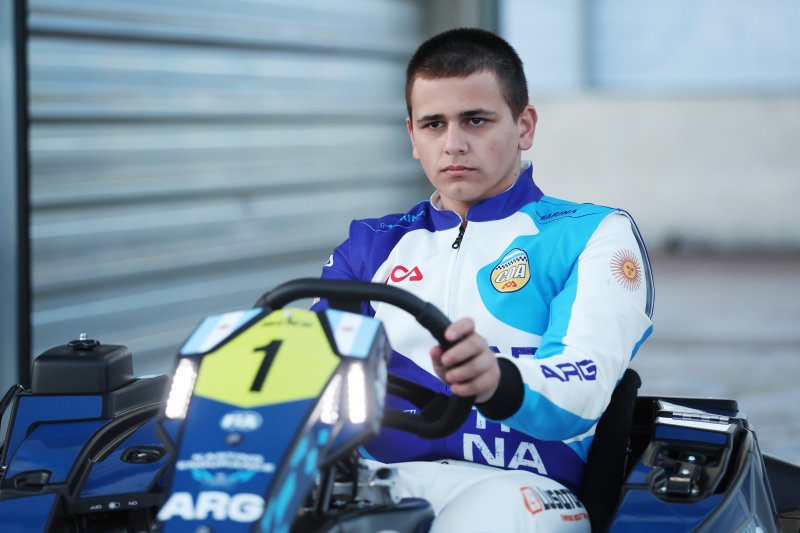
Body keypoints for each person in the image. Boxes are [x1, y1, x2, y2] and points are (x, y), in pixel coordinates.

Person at [314, 27, 654, 532]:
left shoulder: (594, 234)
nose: (453, 145)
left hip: (523, 487)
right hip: (376, 481)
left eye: (475, 120)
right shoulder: (369, 243)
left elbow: (583, 390)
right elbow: (314, 370)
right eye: (433, 124)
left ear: (524, 126)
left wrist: (496, 380)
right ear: (412, 136)